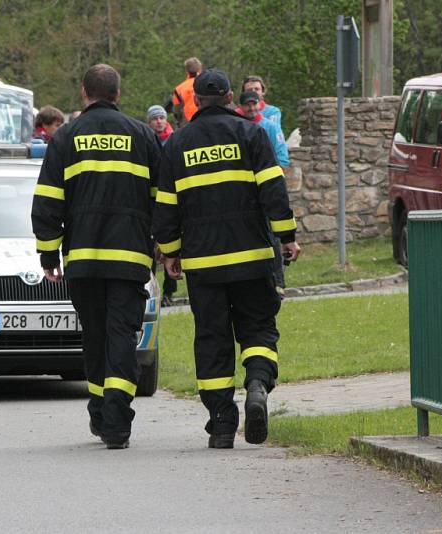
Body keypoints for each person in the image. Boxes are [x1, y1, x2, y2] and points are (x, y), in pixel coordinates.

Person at [152, 69, 300, 449]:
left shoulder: (177, 144)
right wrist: (287, 237)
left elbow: (166, 207)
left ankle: (220, 424)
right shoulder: (252, 134)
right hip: (252, 259)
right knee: (259, 329)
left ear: (196, 101)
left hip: (203, 265)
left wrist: (170, 251)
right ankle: (256, 384)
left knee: (212, 338)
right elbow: (274, 190)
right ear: (232, 95)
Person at [32, 64, 161, 450]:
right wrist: (165, 244)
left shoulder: (67, 136)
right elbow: (162, 197)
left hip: (83, 260)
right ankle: (117, 419)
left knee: (94, 334)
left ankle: (100, 410)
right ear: (117, 94)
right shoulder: (142, 135)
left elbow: (48, 199)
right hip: (130, 258)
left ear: (85, 92)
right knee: (121, 334)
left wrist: (47, 253)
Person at [237, 90, 291, 298]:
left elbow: (282, 159)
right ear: (241, 106)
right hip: (244, 194)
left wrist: (271, 184)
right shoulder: (238, 127)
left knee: (272, 236)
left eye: (254, 104)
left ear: (260, 104)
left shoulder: (269, 126)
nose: (251, 108)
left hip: (266, 190)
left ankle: (278, 282)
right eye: (247, 105)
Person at [146, 104, 177, 304]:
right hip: (151, 203)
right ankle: (149, 286)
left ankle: (169, 291)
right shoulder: (146, 140)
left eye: (162, 117)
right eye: (155, 118)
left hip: (171, 201)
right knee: (149, 248)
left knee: (170, 246)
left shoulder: (175, 140)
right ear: (149, 122)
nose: (159, 121)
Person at [164, 57, 202, 127]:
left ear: (186, 71)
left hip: (188, 126)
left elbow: (177, 111)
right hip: (206, 123)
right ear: (200, 69)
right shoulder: (208, 84)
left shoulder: (179, 89)